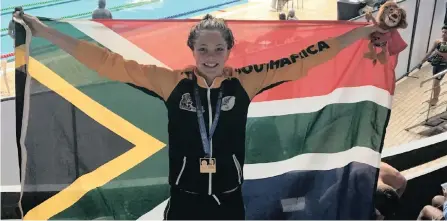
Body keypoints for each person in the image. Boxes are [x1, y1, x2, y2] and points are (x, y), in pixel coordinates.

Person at [15, 11, 387, 219]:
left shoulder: (247, 81)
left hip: (229, 199)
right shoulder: (169, 82)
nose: (211, 55)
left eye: (218, 48)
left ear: (229, 50)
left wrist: (363, 31)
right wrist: (47, 31)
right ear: (193, 49)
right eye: (204, 47)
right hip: (185, 199)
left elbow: (308, 58)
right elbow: (108, 63)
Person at [417, 25, 447, 106]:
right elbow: (430, 52)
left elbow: (444, 55)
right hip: (436, 64)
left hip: (443, 66)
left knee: (436, 82)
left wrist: (439, 53)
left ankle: (435, 99)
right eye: (443, 32)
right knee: (435, 82)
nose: (444, 34)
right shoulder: (438, 41)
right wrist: (421, 62)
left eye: (446, 33)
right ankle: (434, 98)